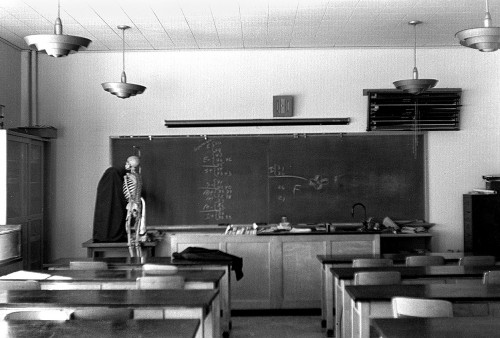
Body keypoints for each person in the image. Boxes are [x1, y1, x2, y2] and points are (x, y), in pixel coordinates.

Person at [123, 155, 146, 257]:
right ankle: (135, 244)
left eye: (127, 163)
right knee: (136, 223)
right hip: (136, 203)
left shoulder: (130, 177)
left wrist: (132, 202)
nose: (126, 164)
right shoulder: (138, 177)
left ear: (131, 165)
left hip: (132, 203)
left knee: (129, 224)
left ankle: (132, 247)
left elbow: (130, 190)